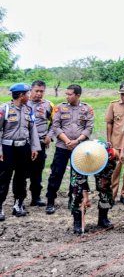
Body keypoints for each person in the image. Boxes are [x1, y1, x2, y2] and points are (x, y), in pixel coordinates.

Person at [46, 84, 94, 214]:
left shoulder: (87, 109)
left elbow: (89, 128)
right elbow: (55, 126)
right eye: (66, 94)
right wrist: (67, 141)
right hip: (62, 147)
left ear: (78, 95)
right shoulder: (60, 108)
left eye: (70, 94)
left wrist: (77, 141)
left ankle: (73, 199)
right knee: (56, 173)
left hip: (79, 148)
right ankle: (50, 201)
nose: (67, 96)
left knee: (77, 175)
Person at [0, 83, 40, 220]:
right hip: (7, 147)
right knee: (4, 177)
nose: (30, 96)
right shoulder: (4, 109)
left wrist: (34, 147)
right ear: (21, 95)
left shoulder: (28, 110)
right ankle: (0, 206)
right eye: (28, 93)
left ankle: (19, 204)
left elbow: (32, 129)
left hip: (23, 147)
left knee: (21, 177)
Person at [67, 139, 118, 234]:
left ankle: (103, 218)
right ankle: (77, 221)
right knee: (77, 191)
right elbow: (80, 182)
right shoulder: (77, 159)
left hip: (103, 162)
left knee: (104, 188)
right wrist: (85, 197)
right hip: (82, 164)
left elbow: (117, 155)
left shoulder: (107, 153)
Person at [26, 80, 54, 207]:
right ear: (31, 90)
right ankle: (19, 199)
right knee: (21, 171)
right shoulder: (23, 102)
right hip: (24, 143)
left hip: (40, 143)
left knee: (37, 172)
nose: (39, 94)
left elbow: (55, 122)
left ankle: (35, 197)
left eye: (41, 91)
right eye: (36, 91)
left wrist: (49, 135)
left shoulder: (48, 105)